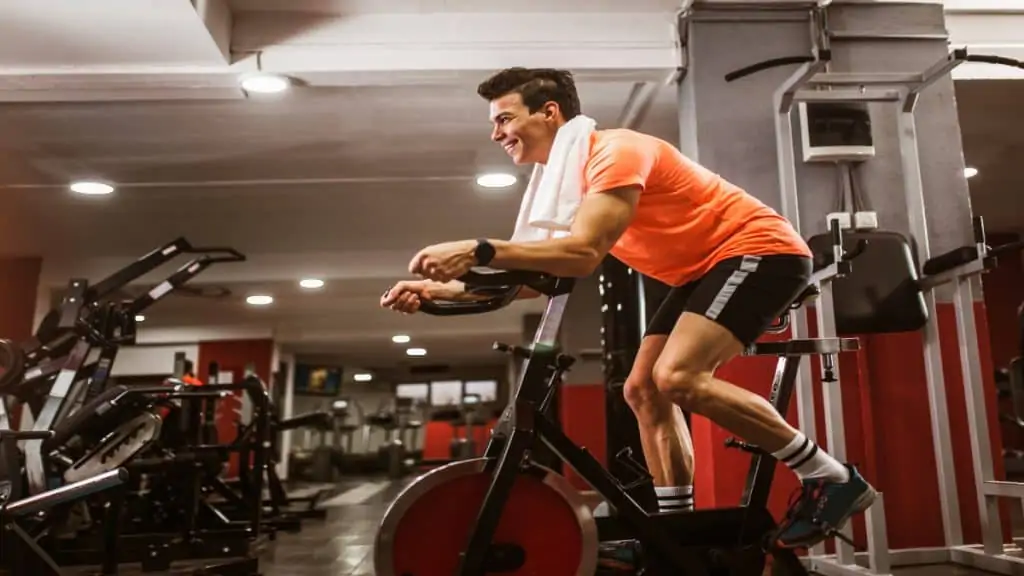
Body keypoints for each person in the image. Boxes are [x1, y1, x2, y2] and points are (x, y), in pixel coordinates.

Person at [380, 67, 876, 549]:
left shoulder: (613, 152)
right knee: (643, 390)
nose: (496, 133)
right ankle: (677, 537)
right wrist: (441, 291)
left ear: (549, 112)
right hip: (700, 271)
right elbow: (543, 277)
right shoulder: (565, 181)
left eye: (504, 118)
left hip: (759, 251)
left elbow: (582, 253)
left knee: (678, 377)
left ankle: (831, 477)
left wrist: (481, 248)